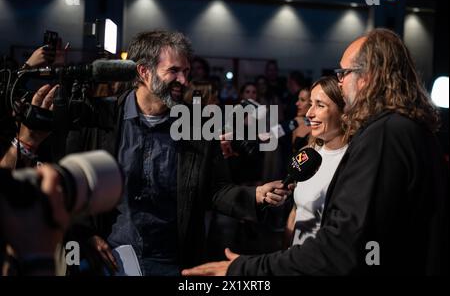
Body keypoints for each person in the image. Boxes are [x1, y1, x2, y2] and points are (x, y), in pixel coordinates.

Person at [182, 28, 448, 276]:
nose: (340, 83)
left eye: (343, 73)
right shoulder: (415, 131)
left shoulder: (385, 134)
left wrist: (245, 269)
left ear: (368, 78)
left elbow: (340, 248)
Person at [65, 30, 292, 276]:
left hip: (172, 261)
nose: (183, 80)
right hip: (109, 258)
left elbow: (214, 189)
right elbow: (71, 182)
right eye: (173, 71)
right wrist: (84, 233)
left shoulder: (197, 124)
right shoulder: (101, 119)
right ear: (144, 72)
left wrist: (255, 195)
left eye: (186, 71)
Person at [284, 76, 347, 247]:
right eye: (310, 103)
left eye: (320, 105)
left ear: (343, 112)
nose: (309, 113)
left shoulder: (352, 161)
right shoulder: (308, 153)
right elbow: (295, 211)